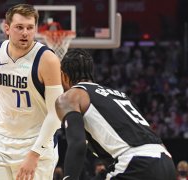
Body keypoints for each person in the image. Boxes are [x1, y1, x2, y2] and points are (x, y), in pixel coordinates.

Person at [0, 3, 62, 180]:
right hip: (1, 143)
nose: (25, 33)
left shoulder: (47, 60)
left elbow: (56, 113)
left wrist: (34, 154)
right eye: (19, 27)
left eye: (30, 28)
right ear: (6, 28)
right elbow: (1, 84)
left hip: (35, 144)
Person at [55, 49, 177, 180]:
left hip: (136, 163)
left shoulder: (72, 96)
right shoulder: (119, 95)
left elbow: (77, 144)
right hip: (166, 161)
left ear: (64, 76)